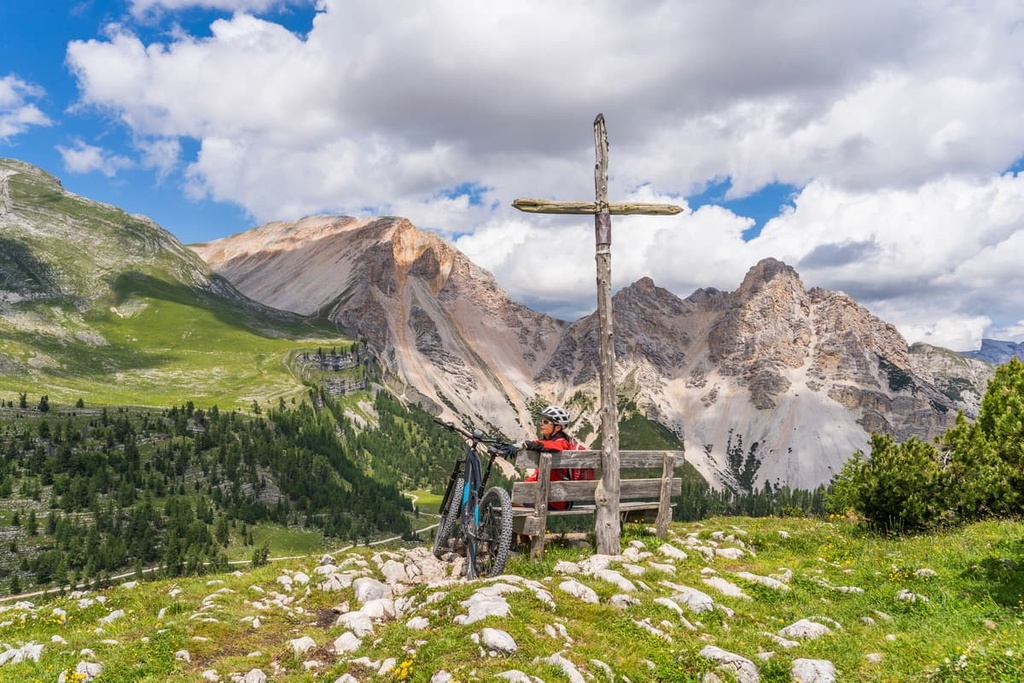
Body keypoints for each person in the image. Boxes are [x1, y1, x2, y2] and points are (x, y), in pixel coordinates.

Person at [521, 405, 594, 511]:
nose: (541, 424)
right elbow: (538, 475)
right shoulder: (557, 442)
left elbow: (556, 446)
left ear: (558, 427)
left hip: (556, 500)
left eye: (546, 422)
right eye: (542, 421)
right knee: (513, 498)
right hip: (555, 497)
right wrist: (525, 486)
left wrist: (534, 444)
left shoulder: (561, 442)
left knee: (510, 502)